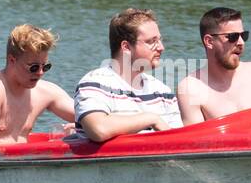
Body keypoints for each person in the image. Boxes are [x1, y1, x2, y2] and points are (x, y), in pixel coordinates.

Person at [74, 8, 183, 141]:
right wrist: (151, 119)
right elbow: (99, 130)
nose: (161, 47)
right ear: (126, 47)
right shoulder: (95, 84)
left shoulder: (162, 91)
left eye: (159, 40)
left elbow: (177, 141)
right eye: (151, 41)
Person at [0, 24, 75, 145]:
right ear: (12, 60)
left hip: (20, 161)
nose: (40, 73)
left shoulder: (47, 92)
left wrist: (83, 126)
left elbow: (91, 116)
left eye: (45, 66)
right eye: (33, 67)